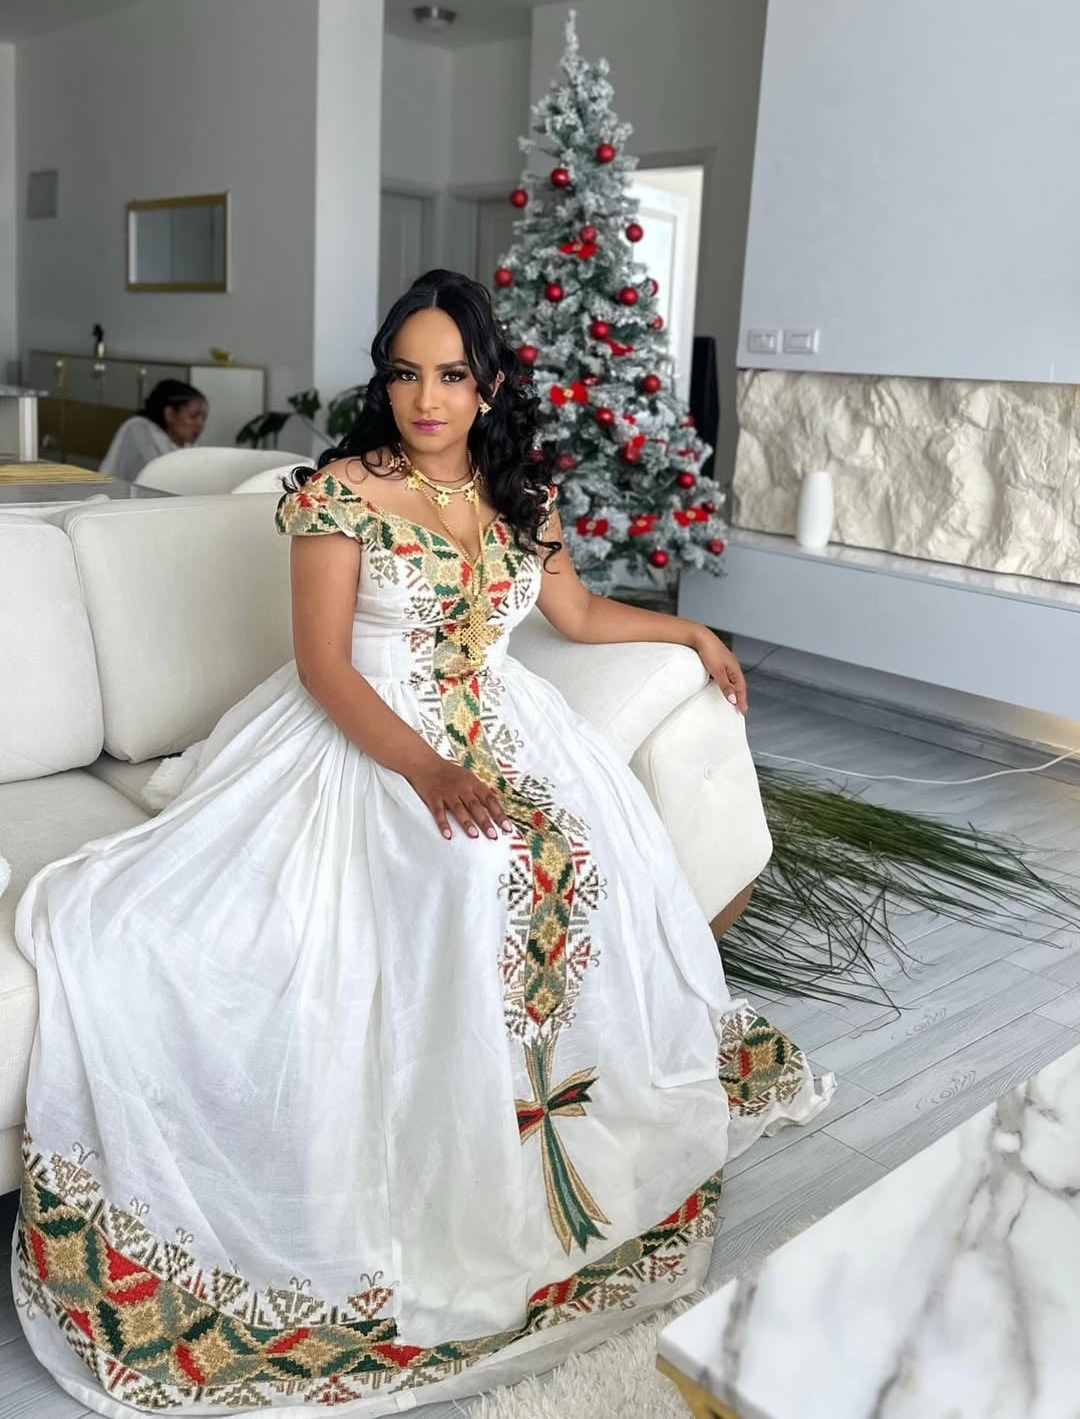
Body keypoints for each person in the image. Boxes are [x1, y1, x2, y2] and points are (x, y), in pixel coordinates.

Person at [12, 271, 832, 1416]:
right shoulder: (338, 492)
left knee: (582, 852)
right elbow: (326, 667)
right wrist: (428, 768)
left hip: (510, 727)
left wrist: (692, 628)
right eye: (406, 372)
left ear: (489, 384)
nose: (426, 397)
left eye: (451, 374)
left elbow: (580, 618)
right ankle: (448, 1175)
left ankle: (550, 1145)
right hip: (369, 734)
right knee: (461, 866)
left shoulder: (523, 493)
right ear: (386, 379)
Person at [98, 378, 208, 483]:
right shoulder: (138, 428)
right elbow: (161, 476)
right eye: (193, 416)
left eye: (204, 418)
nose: (200, 424)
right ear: (170, 414)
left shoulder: (189, 445)